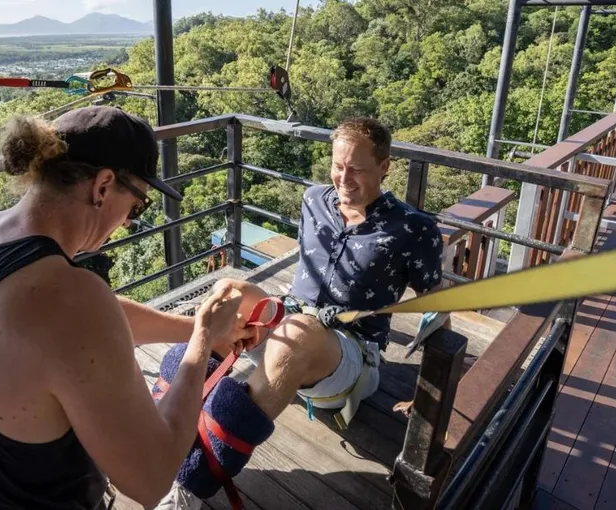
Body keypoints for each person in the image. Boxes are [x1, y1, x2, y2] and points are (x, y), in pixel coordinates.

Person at [0, 106, 256, 509]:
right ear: (102, 186)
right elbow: (151, 478)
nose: (129, 221)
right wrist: (202, 341)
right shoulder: (67, 299)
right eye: (137, 205)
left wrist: (195, 325)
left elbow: (93, 320)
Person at [154, 117, 447, 509]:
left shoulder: (413, 229)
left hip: (351, 352)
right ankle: (159, 424)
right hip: (294, 314)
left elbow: (438, 303)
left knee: (297, 333)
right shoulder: (314, 200)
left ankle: (192, 483)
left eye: (357, 169)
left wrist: (429, 399)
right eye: (338, 166)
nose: (344, 179)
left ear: (385, 166)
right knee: (228, 291)